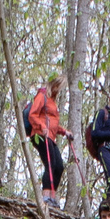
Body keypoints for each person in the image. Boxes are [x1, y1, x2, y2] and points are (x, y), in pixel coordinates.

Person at [25, 75, 69, 210]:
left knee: (59, 166)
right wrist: (42, 126)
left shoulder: (52, 101)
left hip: (50, 136)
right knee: (50, 164)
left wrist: (64, 131)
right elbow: (32, 114)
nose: (59, 91)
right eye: (58, 87)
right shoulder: (42, 96)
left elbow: (52, 123)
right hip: (40, 134)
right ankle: (45, 197)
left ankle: (52, 196)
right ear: (54, 85)